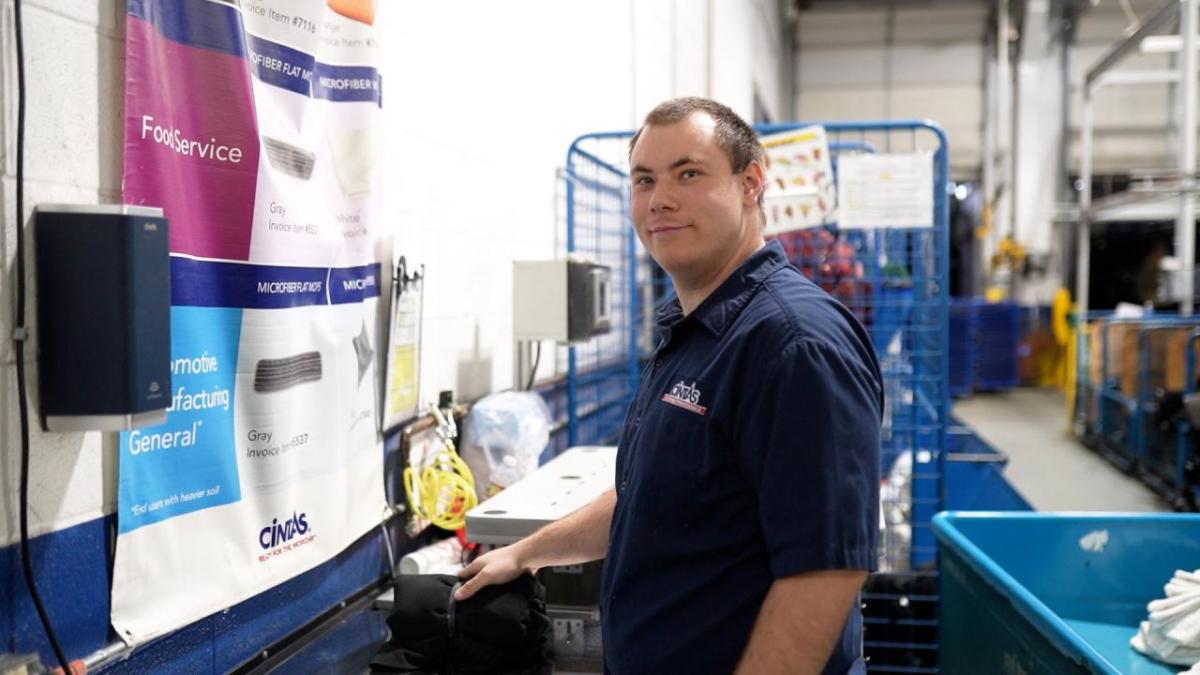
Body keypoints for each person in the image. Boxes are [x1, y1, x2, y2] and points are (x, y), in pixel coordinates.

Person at [456, 97, 882, 674]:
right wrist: (528, 553)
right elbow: (649, 496)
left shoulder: (793, 344)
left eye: (689, 173)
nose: (660, 199)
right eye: (644, 179)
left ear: (751, 183)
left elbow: (824, 574)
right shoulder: (693, 334)